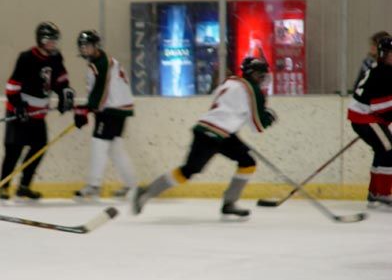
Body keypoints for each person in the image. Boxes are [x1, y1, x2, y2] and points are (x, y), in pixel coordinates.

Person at [132, 57, 277, 218]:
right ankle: (146, 192)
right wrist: (268, 117)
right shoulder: (251, 89)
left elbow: (227, 108)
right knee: (189, 170)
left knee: (247, 162)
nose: (263, 79)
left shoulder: (230, 82)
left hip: (220, 132)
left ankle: (230, 203)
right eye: (261, 75)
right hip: (212, 134)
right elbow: (257, 125)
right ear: (253, 74)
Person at [0, 22, 75, 200]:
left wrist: (65, 95)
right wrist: (18, 105)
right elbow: (12, 85)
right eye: (50, 40)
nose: (54, 44)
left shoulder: (56, 58)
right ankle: (3, 186)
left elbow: (60, 81)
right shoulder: (26, 58)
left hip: (38, 114)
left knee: (39, 148)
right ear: (41, 40)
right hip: (20, 111)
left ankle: (24, 186)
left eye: (55, 40)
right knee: (13, 150)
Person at [72, 30, 137, 201]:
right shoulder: (101, 62)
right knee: (115, 149)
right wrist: (85, 108)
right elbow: (98, 92)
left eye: (88, 46)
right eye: (83, 46)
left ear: (96, 46)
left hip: (111, 110)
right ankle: (132, 186)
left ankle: (94, 186)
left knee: (98, 143)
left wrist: (87, 108)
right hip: (117, 109)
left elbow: (101, 91)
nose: (85, 49)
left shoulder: (101, 63)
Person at [348, 35, 392, 208]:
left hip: (364, 116)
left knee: (382, 149)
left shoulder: (380, 69)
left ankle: (375, 192)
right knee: (389, 150)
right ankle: (381, 192)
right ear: (383, 54)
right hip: (365, 117)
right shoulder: (384, 73)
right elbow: (378, 106)